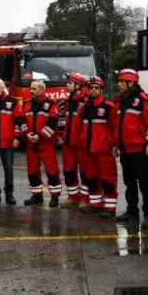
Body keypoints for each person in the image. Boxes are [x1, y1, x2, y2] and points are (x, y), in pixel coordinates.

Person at [112, 68, 148, 227]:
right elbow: (116, 125)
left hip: (139, 149)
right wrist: (115, 144)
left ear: (130, 82)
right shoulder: (120, 100)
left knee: (144, 183)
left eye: (121, 81)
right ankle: (132, 211)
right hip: (125, 149)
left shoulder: (143, 99)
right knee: (129, 182)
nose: (119, 84)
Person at [78, 76, 119, 218]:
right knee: (92, 178)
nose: (94, 90)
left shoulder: (109, 106)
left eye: (96, 88)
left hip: (104, 150)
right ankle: (95, 205)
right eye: (91, 88)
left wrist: (114, 145)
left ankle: (110, 208)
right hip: (88, 150)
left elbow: (115, 127)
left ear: (101, 89)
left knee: (108, 179)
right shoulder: (85, 107)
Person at [20, 79, 62, 207]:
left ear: (42, 90)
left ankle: (55, 197)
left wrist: (40, 136)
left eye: (34, 89)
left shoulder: (51, 103)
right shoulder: (26, 103)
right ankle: (37, 196)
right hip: (31, 143)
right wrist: (26, 133)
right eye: (31, 88)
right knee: (32, 171)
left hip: (46, 143)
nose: (31, 91)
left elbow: (53, 121)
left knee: (52, 171)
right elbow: (21, 120)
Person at [60, 72, 89, 205]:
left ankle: (85, 197)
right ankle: (73, 197)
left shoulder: (86, 102)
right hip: (68, 143)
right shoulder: (69, 101)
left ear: (78, 85)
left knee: (85, 172)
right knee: (69, 171)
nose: (67, 85)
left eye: (70, 83)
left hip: (81, 144)